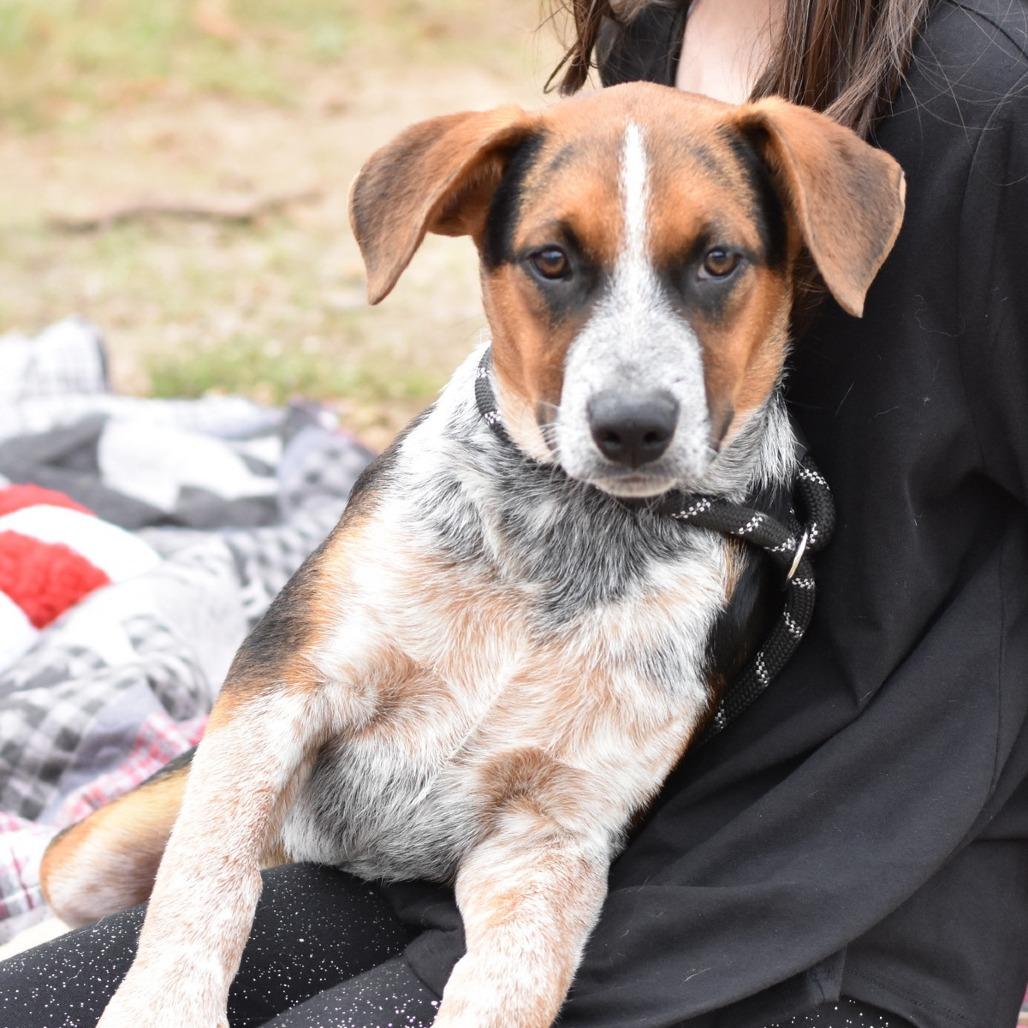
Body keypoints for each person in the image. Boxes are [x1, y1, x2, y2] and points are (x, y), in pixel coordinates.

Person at [3, 0, 1027, 1025]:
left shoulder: (997, 89)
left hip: (819, 896)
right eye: (555, 262)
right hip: (449, 854)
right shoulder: (652, 27)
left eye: (712, 262)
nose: (631, 387)